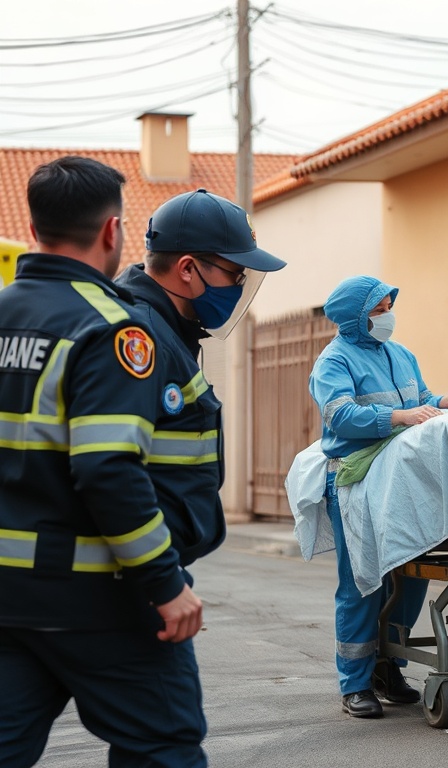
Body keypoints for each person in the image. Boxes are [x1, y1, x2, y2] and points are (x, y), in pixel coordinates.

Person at [0, 156, 205, 767]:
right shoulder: (112, 329)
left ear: (35, 225)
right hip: (96, 597)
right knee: (162, 745)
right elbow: (107, 469)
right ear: (113, 231)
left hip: (8, 597)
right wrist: (165, 585)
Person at [309, 274, 448, 718]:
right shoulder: (333, 361)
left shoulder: (401, 355)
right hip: (356, 479)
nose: (387, 317)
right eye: (378, 311)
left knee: (413, 569)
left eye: (387, 308)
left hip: (400, 477)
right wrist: (399, 415)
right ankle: (355, 683)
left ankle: (389, 667)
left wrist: (445, 399)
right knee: (363, 579)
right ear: (354, 318)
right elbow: (340, 416)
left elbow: (421, 399)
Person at [115, 189, 286, 572]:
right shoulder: (140, 337)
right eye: (234, 273)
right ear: (188, 268)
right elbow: (114, 473)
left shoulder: (168, 331)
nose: (239, 286)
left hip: (154, 565)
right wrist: (159, 581)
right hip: (138, 575)